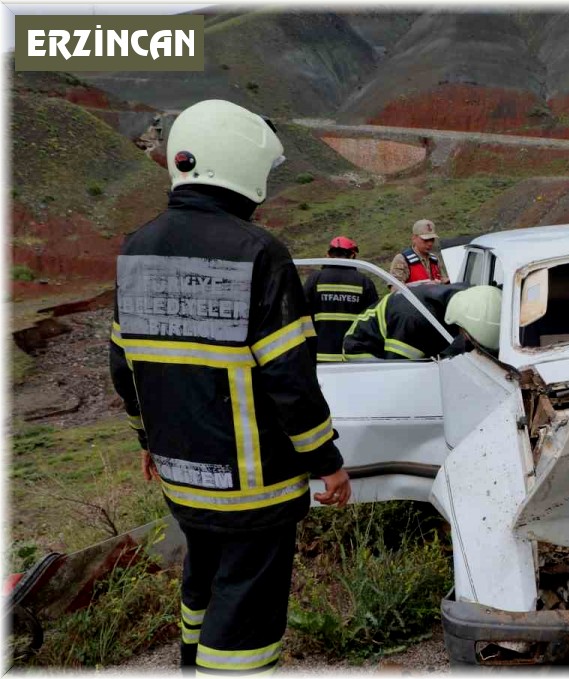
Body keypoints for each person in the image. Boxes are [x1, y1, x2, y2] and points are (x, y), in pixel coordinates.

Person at [108, 99, 351, 676]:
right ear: (242, 167)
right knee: (246, 612)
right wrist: (327, 462)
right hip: (253, 487)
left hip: (180, 473)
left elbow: (124, 366)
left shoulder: (137, 247)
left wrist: (146, 440)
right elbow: (289, 380)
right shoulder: (258, 252)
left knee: (203, 576)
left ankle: (191, 662)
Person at [342, 284, 501, 360]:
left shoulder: (471, 298)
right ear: (460, 322)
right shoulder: (413, 320)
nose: (468, 341)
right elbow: (398, 371)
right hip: (363, 349)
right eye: (469, 337)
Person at [303, 236, 379, 362]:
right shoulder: (364, 282)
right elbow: (373, 321)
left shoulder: (314, 280)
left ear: (327, 255)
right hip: (351, 357)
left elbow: (301, 314)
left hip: (319, 356)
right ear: (352, 256)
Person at [389, 219, 449, 286]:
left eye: (432, 239)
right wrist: (421, 286)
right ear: (414, 238)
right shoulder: (402, 259)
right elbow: (395, 289)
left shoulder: (434, 259)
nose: (430, 243)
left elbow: (443, 280)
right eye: (425, 240)